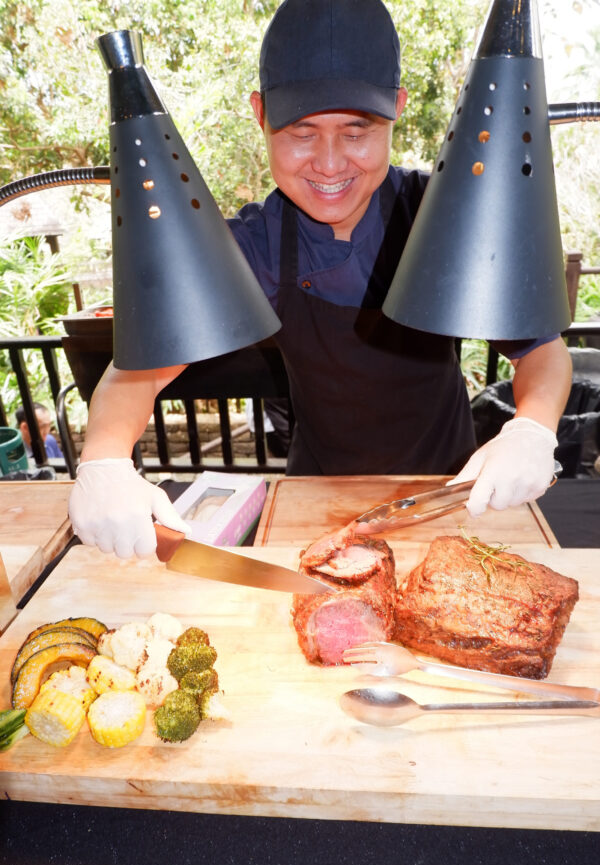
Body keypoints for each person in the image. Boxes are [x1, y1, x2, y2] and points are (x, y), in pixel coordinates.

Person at [69, 0, 572, 559]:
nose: (330, 164)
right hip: (315, 497)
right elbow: (135, 374)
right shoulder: (253, 245)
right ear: (260, 114)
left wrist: (531, 430)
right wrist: (104, 460)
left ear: (397, 109)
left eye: (357, 132)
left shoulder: (445, 213)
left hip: (451, 491)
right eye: (301, 132)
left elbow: (541, 350)